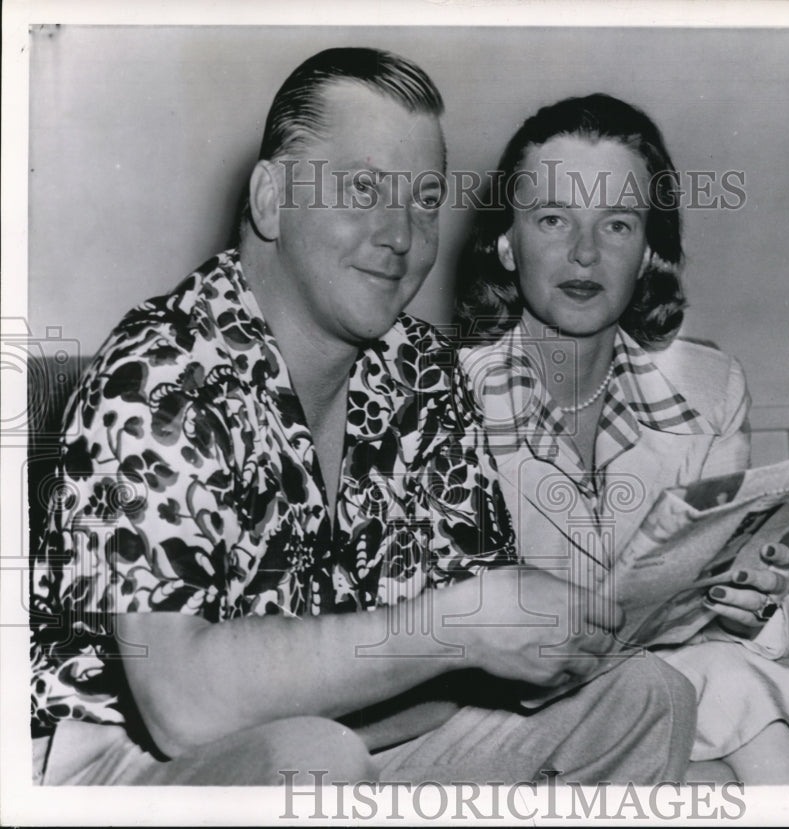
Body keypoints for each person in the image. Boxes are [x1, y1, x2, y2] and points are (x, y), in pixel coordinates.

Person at [29, 51, 696, 786]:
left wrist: (604, 614)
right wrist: (452, 627)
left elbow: (465, 668)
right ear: (270, 199)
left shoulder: (421, 371)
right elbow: (181, 703)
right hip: (114, 762)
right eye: (363, 188)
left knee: (643, 698)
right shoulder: (159, 371)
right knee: (312, 756)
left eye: (424, 200)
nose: (401, 234)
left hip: (354, 737)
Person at [456, 93, 789, 785]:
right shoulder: (439, 396)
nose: (585, 252)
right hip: (500, 714)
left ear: (647, 249)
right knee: (723, 769)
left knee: (735, 683)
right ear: (506, 243)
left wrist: (746, 600)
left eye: (618, 224)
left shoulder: (709, 386)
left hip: (672, 683)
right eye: (552, 219)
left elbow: (715, 619)